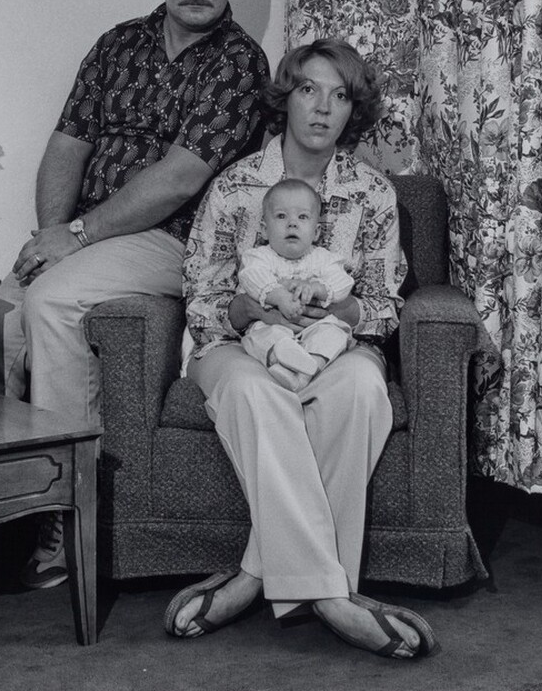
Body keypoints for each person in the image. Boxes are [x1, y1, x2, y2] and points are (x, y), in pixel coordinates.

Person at [0, 0, 269, 586]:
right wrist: (53, 233)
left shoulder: (239, 63)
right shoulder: (118, 45)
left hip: (174, 239)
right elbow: (66, 147)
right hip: (87, 234)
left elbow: (180, 178)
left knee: (50, 304)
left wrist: (75, 237)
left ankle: (65, 518)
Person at [165, 39, 438, 659]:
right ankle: (335, 598)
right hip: (236, 345)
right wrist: (258, 310)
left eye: (339, 96)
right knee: (253, 392)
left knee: (362, 388)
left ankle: (254, 575)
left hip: (334, 345)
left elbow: (382, 305)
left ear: (352, 111)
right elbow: (202, 301)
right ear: (286, 98)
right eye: (309, 90)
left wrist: (332, 309)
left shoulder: (372, 193)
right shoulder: (235, 186)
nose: (322, 108)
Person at [237, 177, 354, 391]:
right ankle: (280, 358)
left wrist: (317, 289)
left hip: (315, 326)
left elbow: (343, 282)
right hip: (272, 324)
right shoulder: (259, 257)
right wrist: (279, 296)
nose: (292, 223)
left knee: (334, 333)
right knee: (258, 336)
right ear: (264, 230)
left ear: (316, 232)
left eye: (302, 217)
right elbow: (251, 277)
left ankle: (308, 369)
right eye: (281, 216)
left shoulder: (323, 258)